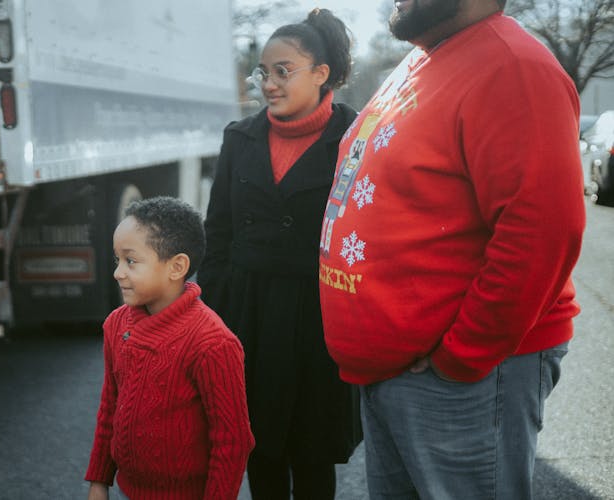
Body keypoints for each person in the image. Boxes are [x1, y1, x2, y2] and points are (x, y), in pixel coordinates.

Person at [319, 0, 586, 499]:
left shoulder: (512, 66)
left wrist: (461, 358)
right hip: (401, 372)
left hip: (460, 378)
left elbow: (543, 230)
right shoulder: (427, 56)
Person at [198, 8, 362, 500]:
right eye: (262, 72)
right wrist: (213, 313)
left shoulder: (355, 138)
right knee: (258, 446)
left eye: (282, 71)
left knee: (313, 453)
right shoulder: (240, 137)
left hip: (320, 313)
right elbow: (218, 231)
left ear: (321, 73)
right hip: (248, 311)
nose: (268, 83)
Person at [85, 196, 255, 500]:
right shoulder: (115, 325)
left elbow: (233, 441)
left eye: (131, 261)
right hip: (129, 491)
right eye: (117, 260)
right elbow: (110, 407)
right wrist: (99, 480)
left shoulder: (212, 343)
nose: (118, 272)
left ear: (176, 267)